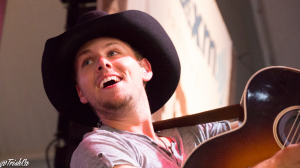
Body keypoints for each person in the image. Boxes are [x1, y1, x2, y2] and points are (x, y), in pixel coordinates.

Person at [42, 10, 300, 168]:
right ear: (81, 93)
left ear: (145, 69)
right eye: (87, 61)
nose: (102, 62)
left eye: (113, 51)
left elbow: (264, 134)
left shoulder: (199, 136)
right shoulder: (99, 148)